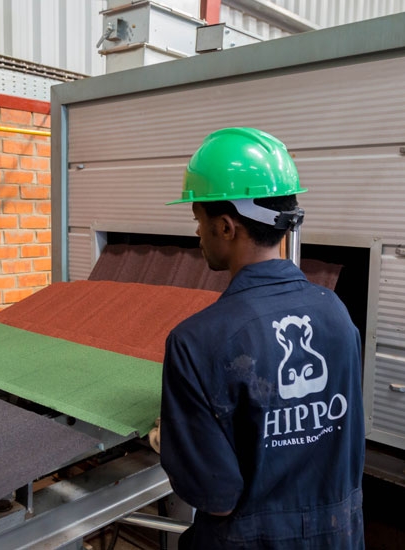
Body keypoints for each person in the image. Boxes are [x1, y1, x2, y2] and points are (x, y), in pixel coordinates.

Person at [153, 127, 365, 549]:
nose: (197, 235)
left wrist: (166, 440)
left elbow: (215, 498)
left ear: (227, 227)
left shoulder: (195, 342)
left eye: (199, 221)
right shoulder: (336, 314)